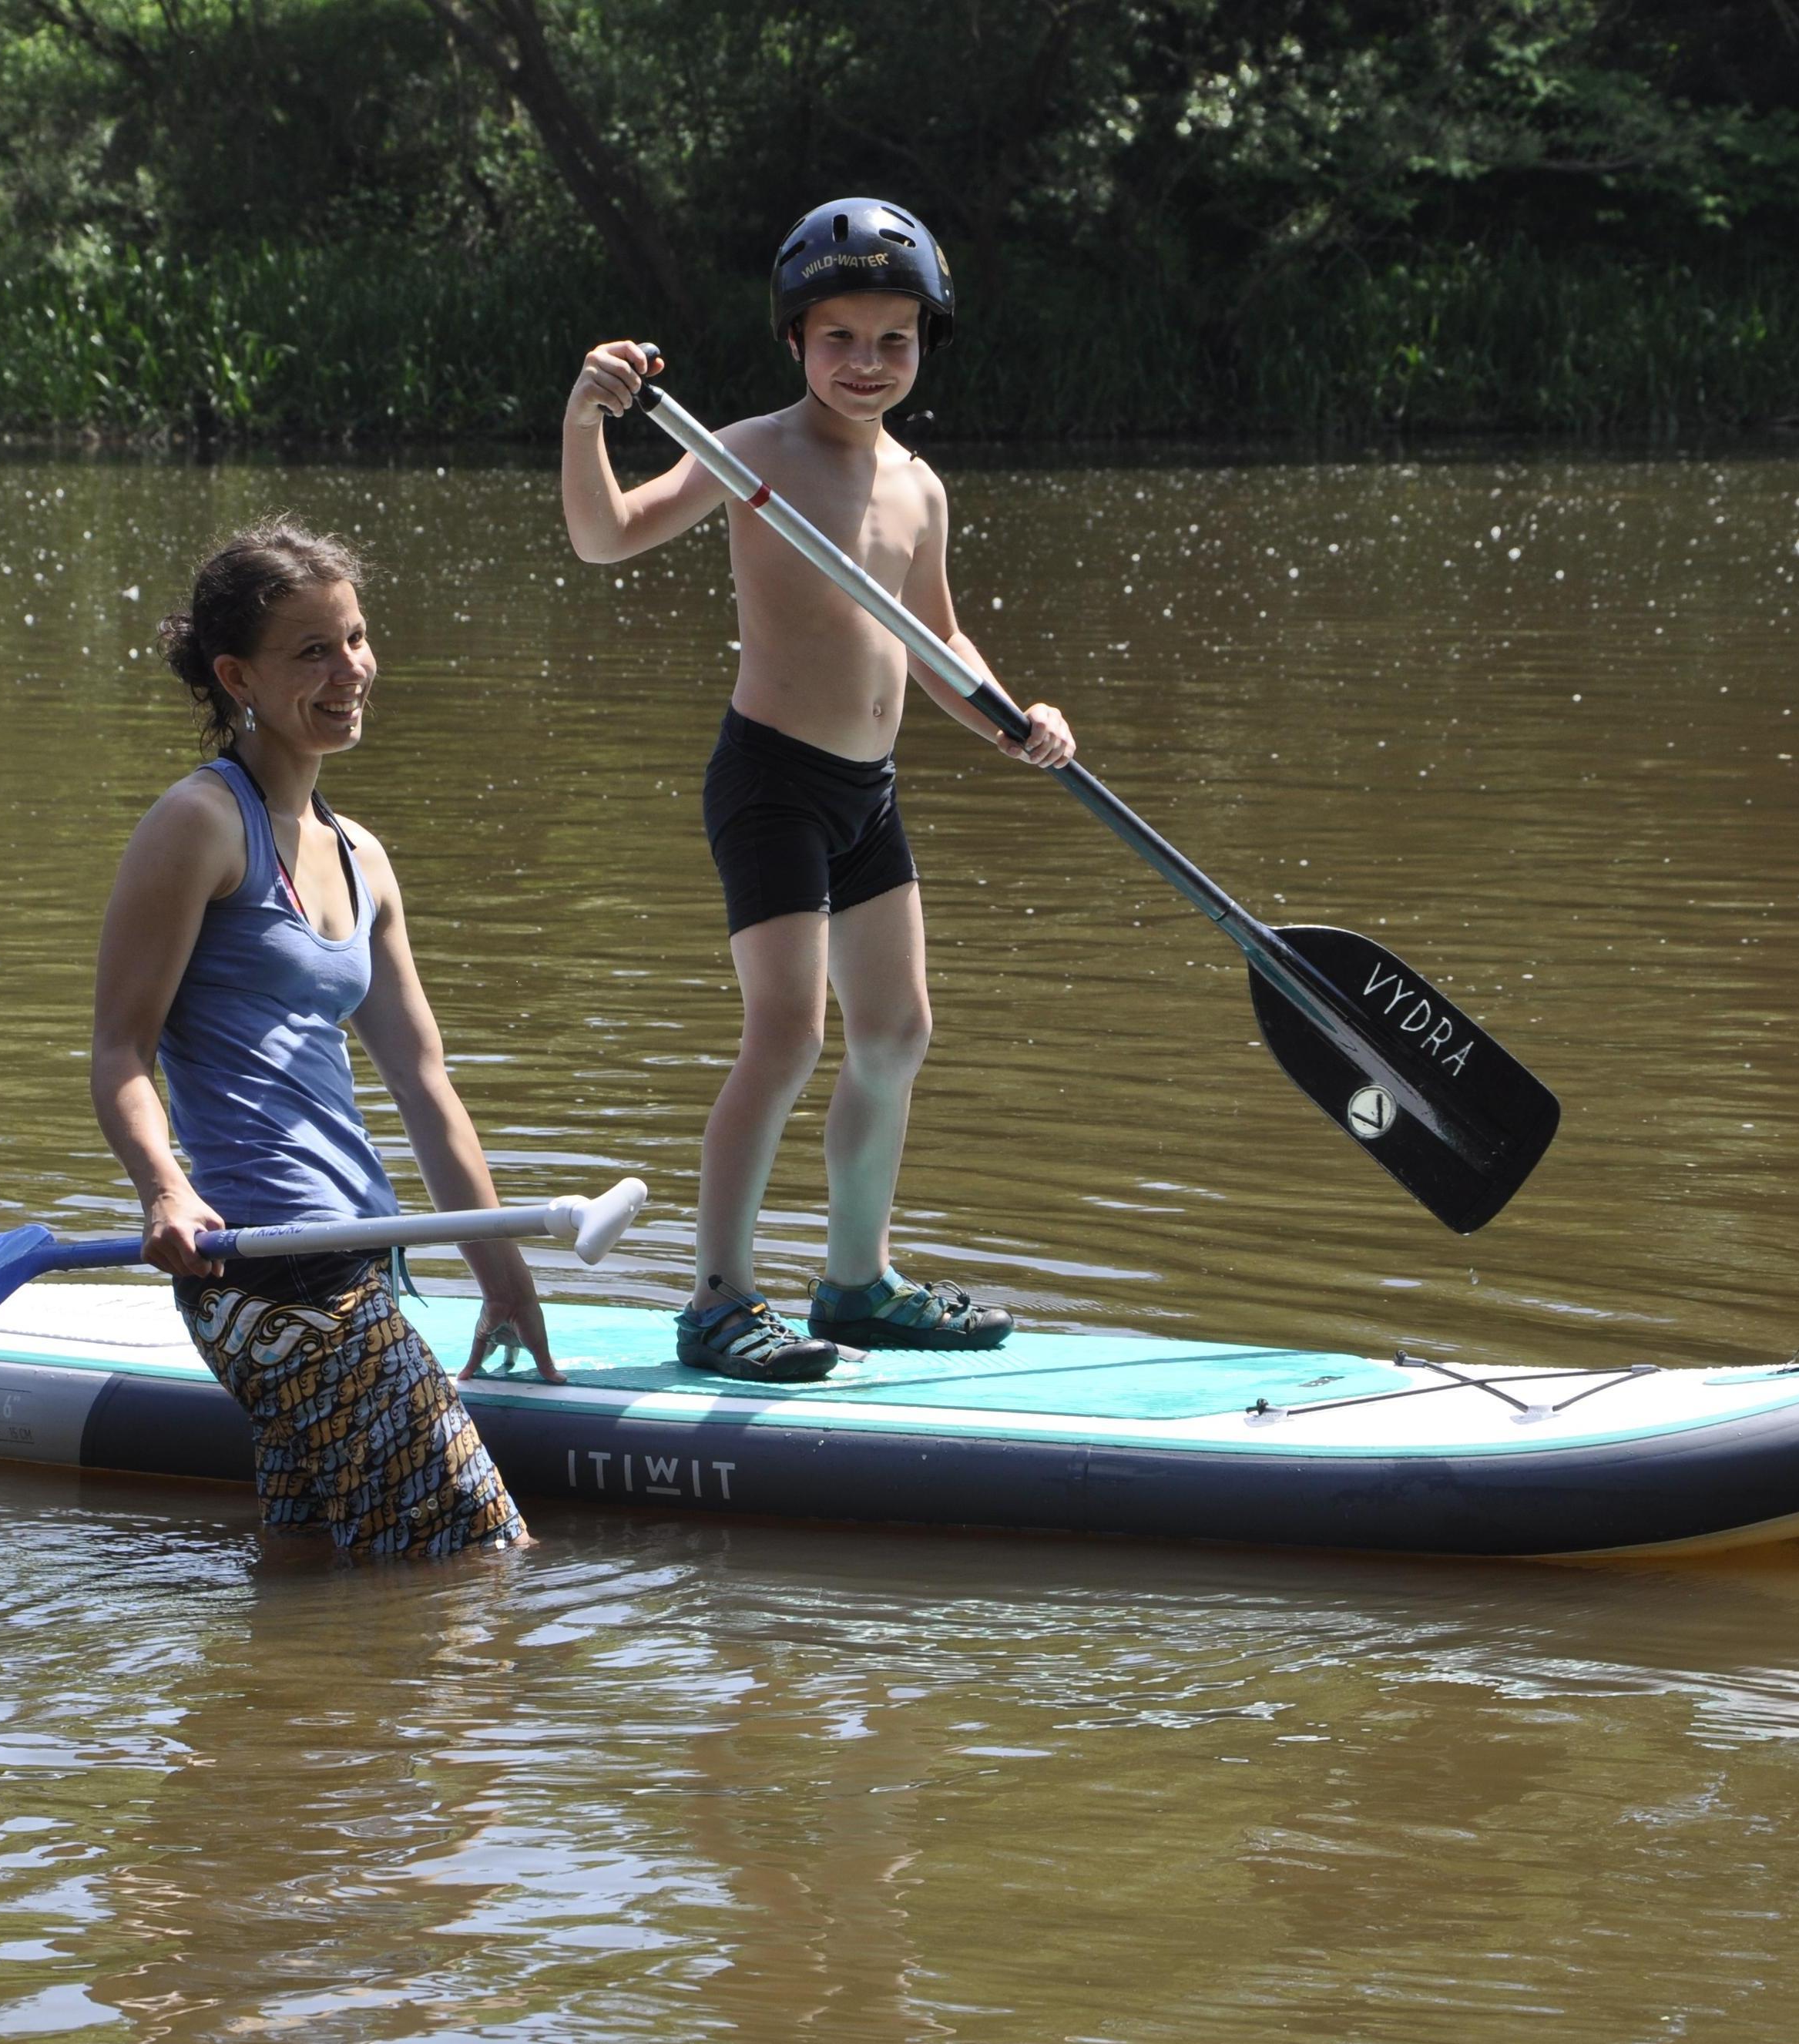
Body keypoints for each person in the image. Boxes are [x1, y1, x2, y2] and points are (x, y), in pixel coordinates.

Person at [559, 197, 1076, 1384]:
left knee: (897, 1031)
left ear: (925, 345)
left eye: (894, 339)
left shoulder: (919, 486)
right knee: (787, 1034)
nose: (866, 361)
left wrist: (1019, 720)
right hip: (773, 782)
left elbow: (941, 643)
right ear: (795, 339)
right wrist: (587, 416)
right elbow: (606, 536)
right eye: (838, 336)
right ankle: (718, 1300)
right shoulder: (751, 452)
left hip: (868, 794)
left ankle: (855, 1284)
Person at [91, 519, 555, 1557]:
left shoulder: (362, 857)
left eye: (355, 637)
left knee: (313, 1566)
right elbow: (119, 1050)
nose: (350, 670)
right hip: (268, 1268)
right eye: (312, 650)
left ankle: (289, 1676)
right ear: (236, 677)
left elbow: (423, 1082)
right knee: (486, 1567)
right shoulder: (199, 824)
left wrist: (503, 1278)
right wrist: (164, 1190)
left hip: (354, 1262)